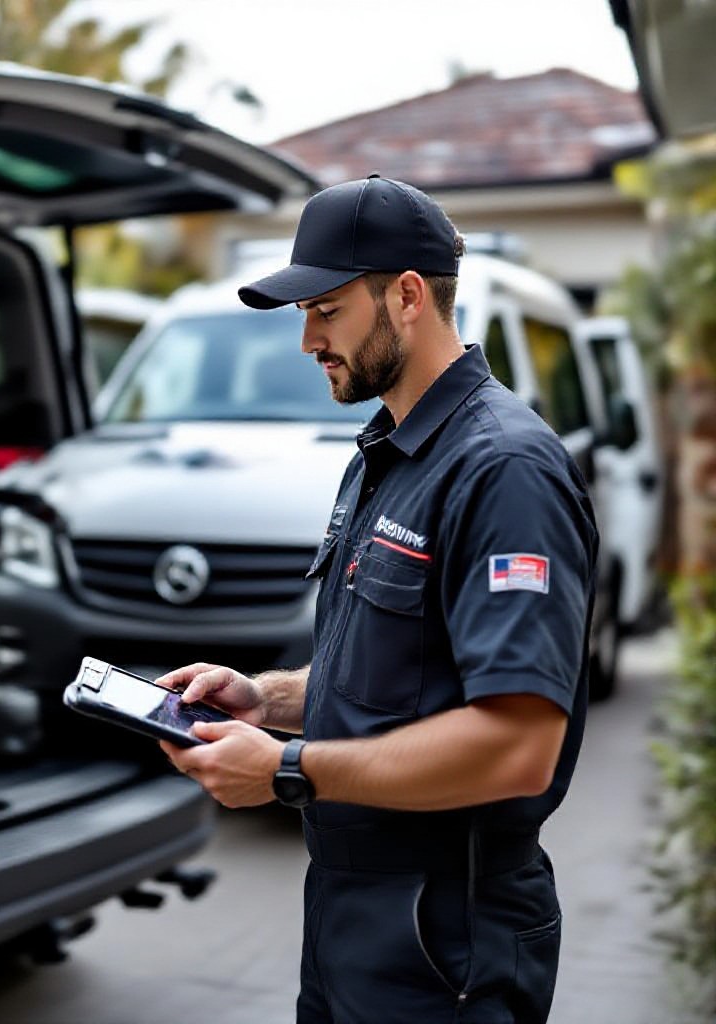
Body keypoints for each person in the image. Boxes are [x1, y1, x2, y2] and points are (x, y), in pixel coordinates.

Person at [157, 175, 597, 1024]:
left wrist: (287, 770)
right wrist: (266, 699)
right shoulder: (389, 453)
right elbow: (402, 666)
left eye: (327, 310)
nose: (307, 341)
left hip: (444, 934)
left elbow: (519, 747)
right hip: (350, 915)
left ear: (406, 297)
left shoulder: (504, 470)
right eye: (304, 314)